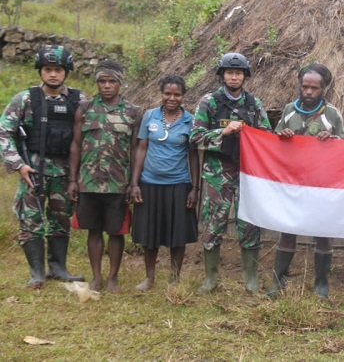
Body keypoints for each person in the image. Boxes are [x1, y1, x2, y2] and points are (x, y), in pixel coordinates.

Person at [0, 45, 84, 288]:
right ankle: (37, 273)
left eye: (58, 69)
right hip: (32, 171)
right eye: (48, 69)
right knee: (30, 220)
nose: (53, 74)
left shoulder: (78, 100)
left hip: (65, 172)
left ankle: (58, 269)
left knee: (61, 219)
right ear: (41, 71)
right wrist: (18, 165)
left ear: (66, 71)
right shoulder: (25, 99)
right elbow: (4, 132)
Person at [190, 52, 271, 294]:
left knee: (249, 224)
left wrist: (252, 133)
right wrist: (222, 133)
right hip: (217, 172)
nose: (234, 77)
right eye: (229, 73)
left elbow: (266, 136)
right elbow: (195, 139)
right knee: (214, 223)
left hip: (247, 172)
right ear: (222, 75)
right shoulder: (209, 102)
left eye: (238, 73)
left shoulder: (253, 104)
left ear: (245, 76)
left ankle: (250, 279)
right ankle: (211, 279)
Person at [266, 63, 344, 299]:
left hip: (321, 184)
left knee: (322, 232)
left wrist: (332, 139)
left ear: (324, 88)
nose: (309, 92)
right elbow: (274, 142)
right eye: (305, 87)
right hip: (292, 182)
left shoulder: (332, 114)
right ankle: (277, 283)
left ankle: (321, 284)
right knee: (287, 231)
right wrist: (282, 137)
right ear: (299, 86)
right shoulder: (289, 110)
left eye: (315, 88)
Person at [68, 59, 142, 292]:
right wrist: (72, 180)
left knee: (116, 232)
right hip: (88, 183)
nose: (107, 85)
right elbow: (76, 145)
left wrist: (133, 183)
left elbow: (135, 149)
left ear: (120, 83)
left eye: (112, 81)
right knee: (93, 230)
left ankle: (113, 278)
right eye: (102, 81)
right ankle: (96, 277)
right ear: (97, 83)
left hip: (117, 184)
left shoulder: (133, 112)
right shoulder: (84, 109)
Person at [129, 75, 199, 291]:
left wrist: (194, 189)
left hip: (178, 184)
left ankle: (174, 279)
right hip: (149, 183)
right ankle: (149, 278)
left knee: (177, 235)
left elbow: (193, 156)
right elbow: (141, 148)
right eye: (167, 94)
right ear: (161, 94)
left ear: (183, 96)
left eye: (177, 94)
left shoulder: (190, 120)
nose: (172, 98)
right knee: (150, 234)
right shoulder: (149, 116)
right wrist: (135, 183)